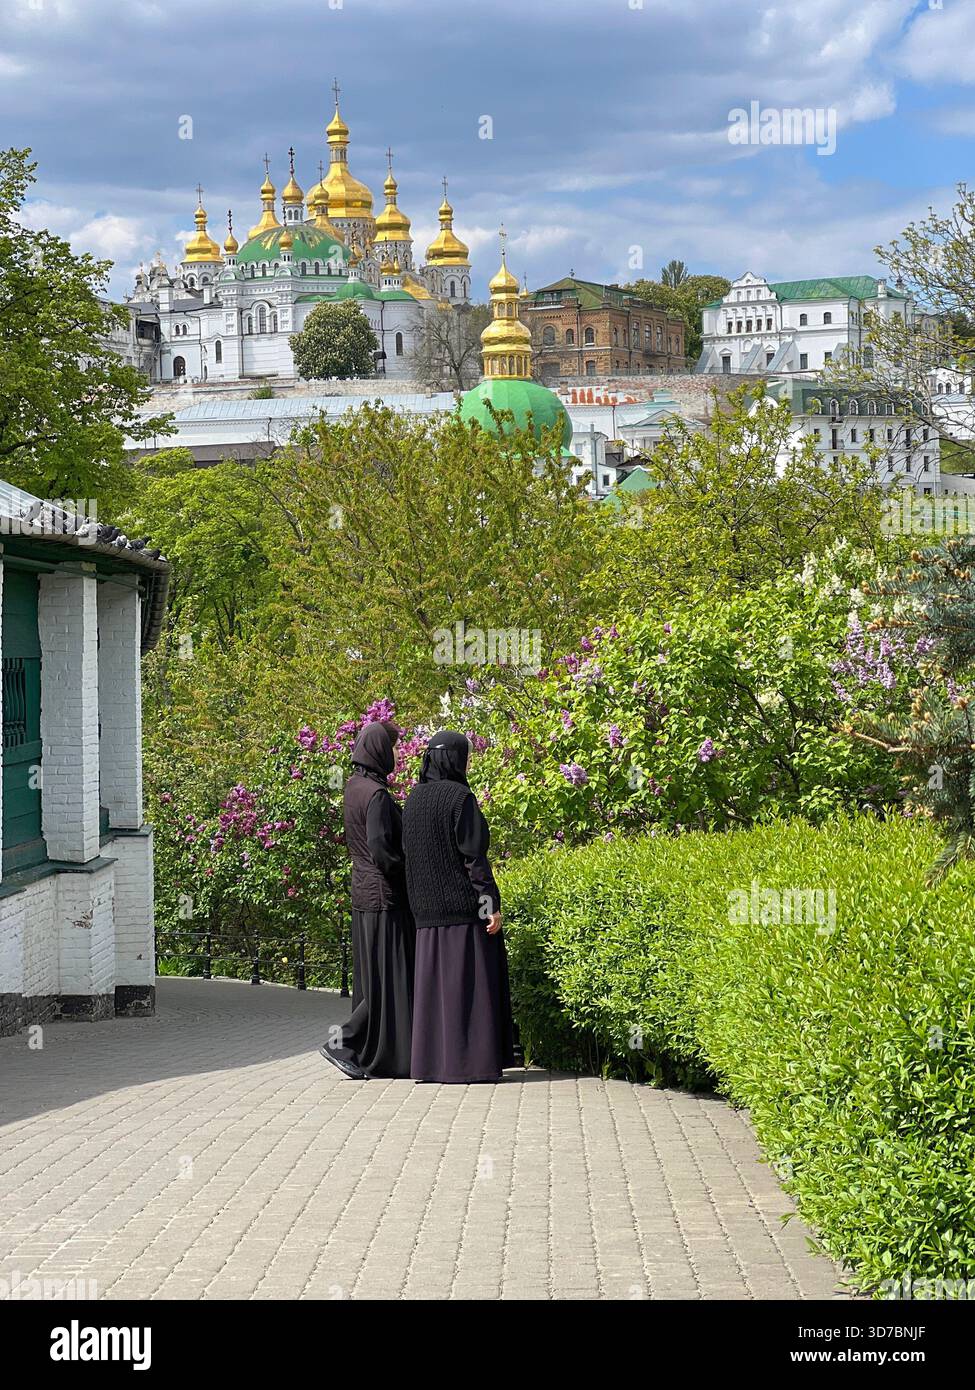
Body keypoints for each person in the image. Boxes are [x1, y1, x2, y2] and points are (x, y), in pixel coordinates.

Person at [402, 730, 515, 1084]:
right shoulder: (460, 798)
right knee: (470, 991)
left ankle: (432, 1066)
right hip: (463, 911)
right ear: (455, 760)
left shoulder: (413, 800)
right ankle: (472, 1064)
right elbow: (474, 858)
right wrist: (490, 905)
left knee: (436, 994)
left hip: (425, 914)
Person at [319, 721, 414, 1080]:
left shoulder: (353, 787)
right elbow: (381, 850)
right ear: (378, 750)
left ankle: (370, 1053)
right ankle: (342, 1042)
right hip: (383, 896)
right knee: (387, 979)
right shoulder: (376, 795)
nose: (396, 754)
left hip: (363, 893)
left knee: (372, 977)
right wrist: (408, 873)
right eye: (392, 747)